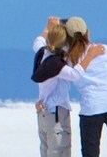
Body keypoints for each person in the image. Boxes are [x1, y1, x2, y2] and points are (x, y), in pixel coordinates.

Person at [64, 17, 107, 157]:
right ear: (87, 32)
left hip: (91, 108)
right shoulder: (104, 49)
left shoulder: (69, 59)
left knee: (90, 152)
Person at [31, 16, 82, 157]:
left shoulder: (42, 54)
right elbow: (72, 78)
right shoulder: (59, 65)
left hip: (43, 115)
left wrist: (47, 28)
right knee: (60, 152)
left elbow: (37, 42)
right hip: (56, 114)